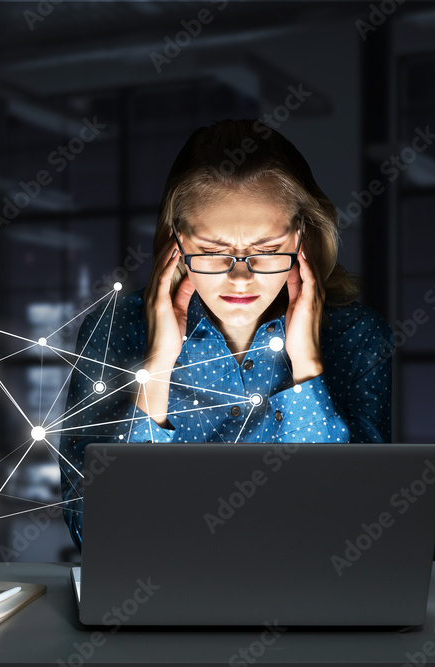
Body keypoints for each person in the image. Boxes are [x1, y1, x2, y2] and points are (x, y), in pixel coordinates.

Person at [58, 119, 393, 552]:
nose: (240, 278)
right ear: (177, 241)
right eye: (214, 252)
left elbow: (354, 525)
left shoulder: (359, 336)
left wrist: (307, 366)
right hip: (153, 604)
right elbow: (96, 534)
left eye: (267, 251)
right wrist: (156, 368)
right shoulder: (113, 327)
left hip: (310, 606)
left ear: (301, 236)